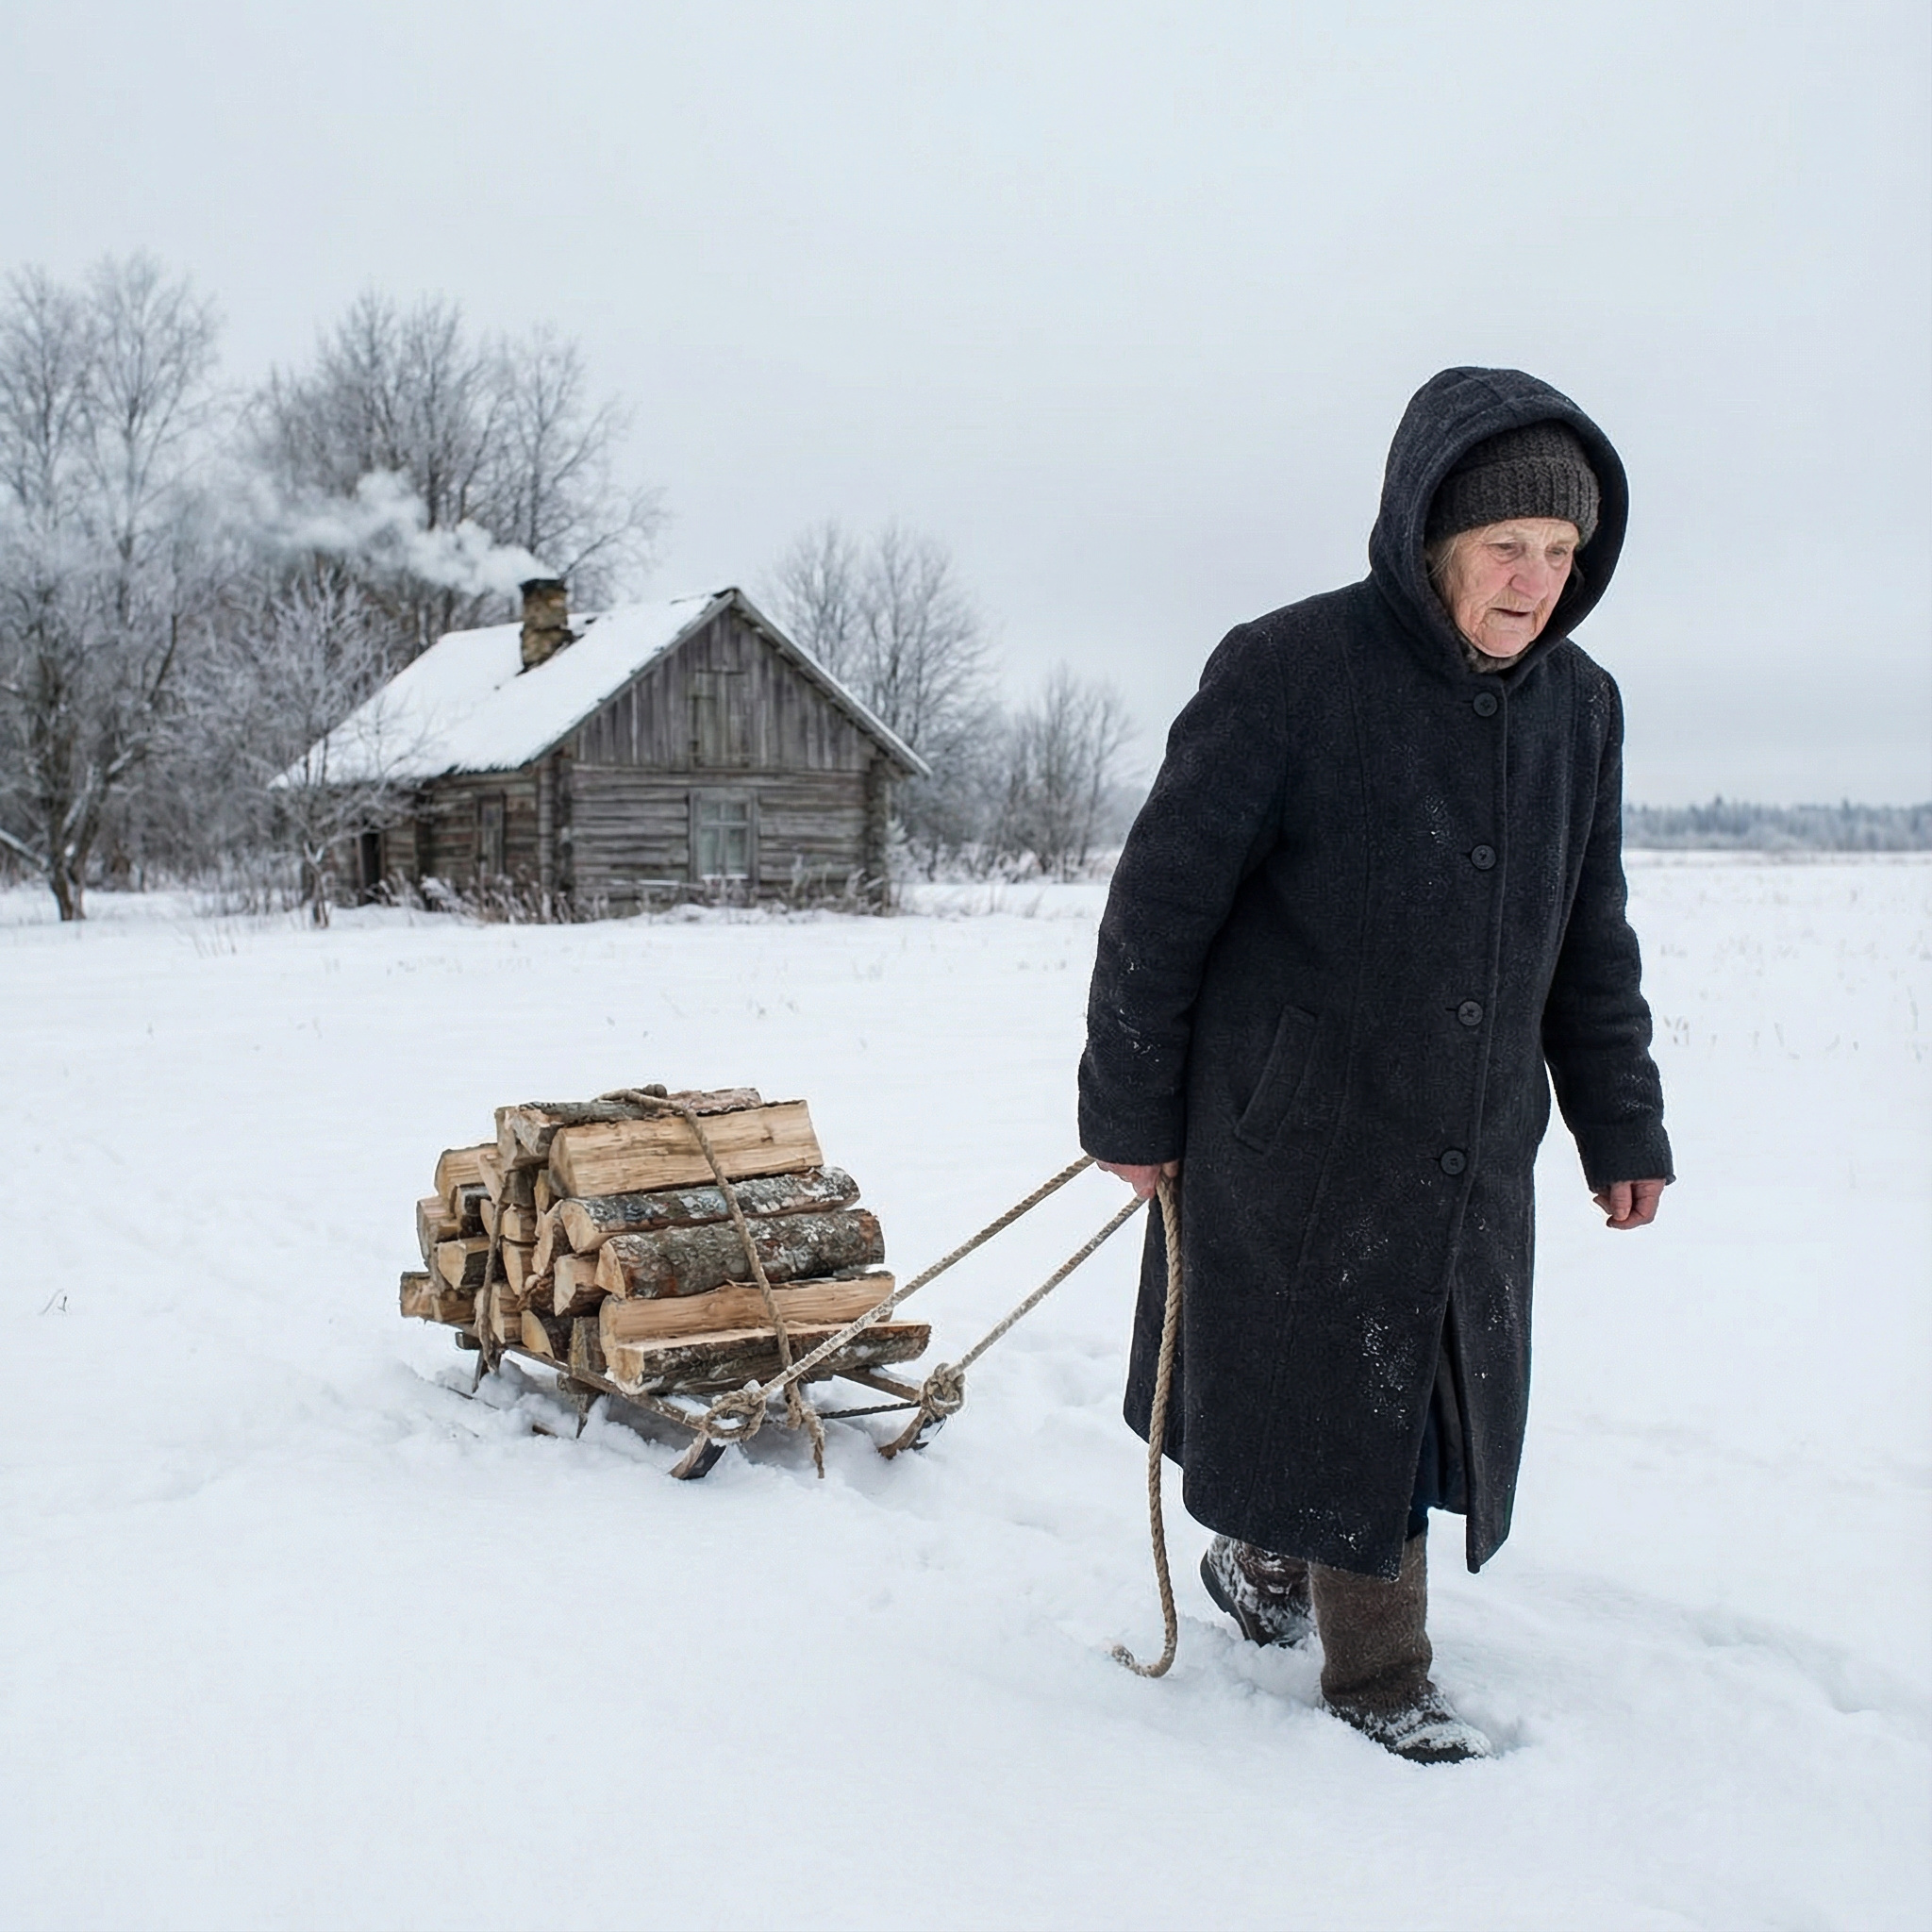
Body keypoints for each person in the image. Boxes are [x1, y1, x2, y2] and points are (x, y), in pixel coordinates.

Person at [1078, 366, 1673, 1764]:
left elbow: (1593, 938)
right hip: (1291, 1132)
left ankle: (1267, 1566)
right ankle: (1380, 1679)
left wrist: (1623, 1127)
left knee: (1385, 1392)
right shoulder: (1288, 672)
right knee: (1358, 1393)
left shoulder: (1581, 710)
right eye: (1504, 548)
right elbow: (1160, 906)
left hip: (1473, 1133)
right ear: (1430, 539)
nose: (1534, 582)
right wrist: (1131, 1107)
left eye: (1560, 554)